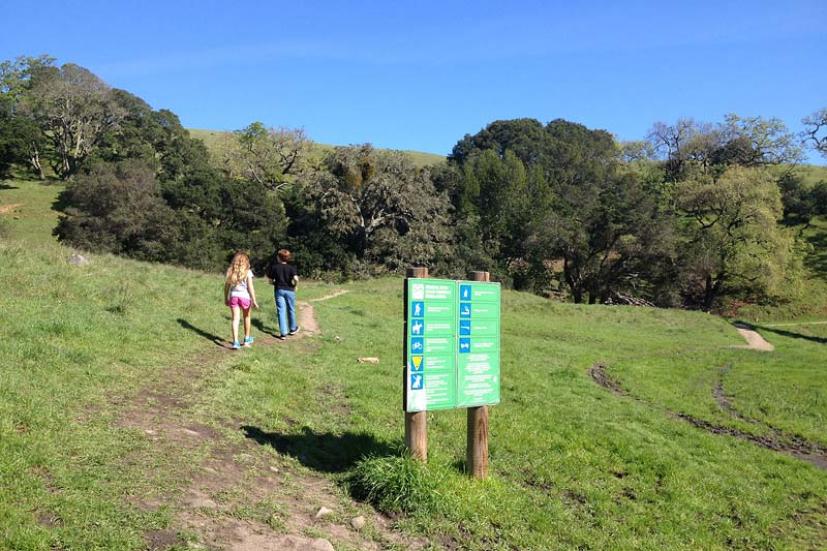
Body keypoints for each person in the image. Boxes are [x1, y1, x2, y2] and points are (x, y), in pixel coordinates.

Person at [224, 251, 259, 350]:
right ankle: (247, 340)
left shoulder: (230, 271)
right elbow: (250, 287)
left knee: (235, 319)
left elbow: (226, 287)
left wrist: (226, 298)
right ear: (246, 261)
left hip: (234, 296)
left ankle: (235, 342)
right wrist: (254, 300)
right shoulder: (248, 271)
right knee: (246, 317)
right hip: (245, 297)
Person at [267, 248, 299, 340]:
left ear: (279, 258)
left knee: (281, 310)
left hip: (279, 290)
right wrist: (295, 285)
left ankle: (283, 333)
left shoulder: (274, 267)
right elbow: (296, 279)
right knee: (291, 309)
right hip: (290, 290)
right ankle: (293, 329)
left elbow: (270, 281)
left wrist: (275, 283)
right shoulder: (291, 267)